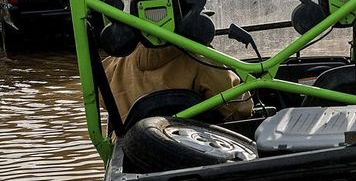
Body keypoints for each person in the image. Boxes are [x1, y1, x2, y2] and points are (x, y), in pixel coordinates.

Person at [103, 42, 253, 124]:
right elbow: (238, 110)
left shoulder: (113, 64)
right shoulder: (200, 60)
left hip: (132, 153)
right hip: (196, 150)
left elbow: (101, 99)